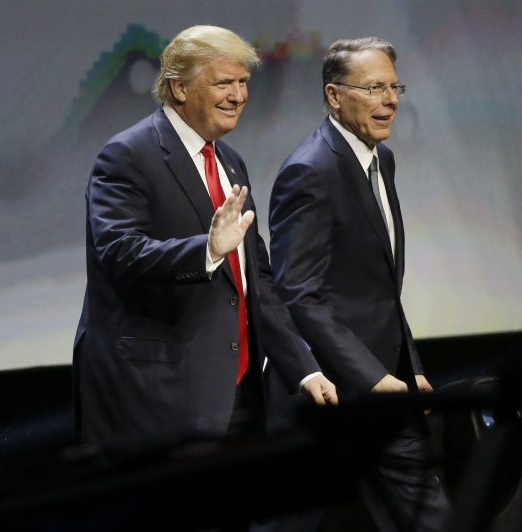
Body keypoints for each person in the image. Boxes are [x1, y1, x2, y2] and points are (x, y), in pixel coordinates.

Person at [73, 25, 337, 454]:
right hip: (159, 402)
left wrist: (303, 368)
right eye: (224, 83)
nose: (238, 95)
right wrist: (208, 250)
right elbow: (119, 253)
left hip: (240, 398)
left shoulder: (229, 161)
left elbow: (255, 282)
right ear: (179, 88)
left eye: (243, 82)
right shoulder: (127, 155)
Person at [268, 37, 449, 531]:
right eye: (373, 88)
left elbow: (379, 289)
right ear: (334, 95)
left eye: (395, 87)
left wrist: (408, 369)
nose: (390, 100)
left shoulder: (379, 159)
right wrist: (372, 377)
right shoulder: (310, 170)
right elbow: (298, 292)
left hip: (387, 389)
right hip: (328, 395)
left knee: (429, 518)